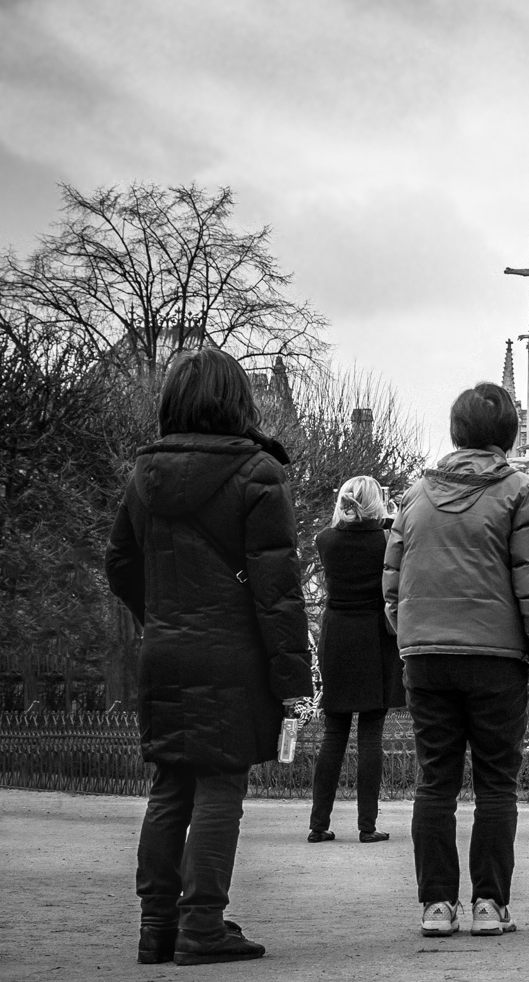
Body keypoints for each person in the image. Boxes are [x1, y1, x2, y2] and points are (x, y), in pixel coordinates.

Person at [105, 348, 312, 966]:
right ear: (237, 402)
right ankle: (203, 922)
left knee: (170, 784)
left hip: (164, 651)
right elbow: (278, 593)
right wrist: (292, 679)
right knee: (221, 785)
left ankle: (156, 927)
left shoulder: (145, 477)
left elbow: (119, 564)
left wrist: (162, 614)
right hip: (230, 655)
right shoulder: (257, 474)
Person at [383, 382, 529, 939]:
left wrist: (415, 640)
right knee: (495, 785)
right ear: (508, 435)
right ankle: (489, 905)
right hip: (495, 659)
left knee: (434, 782)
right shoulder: (523, 495)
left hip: (428, 659)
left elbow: (391, 590)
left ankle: (436, 906)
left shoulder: (413, 499)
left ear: (456, 433)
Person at [307, 476, 405, 845]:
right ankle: (367, 825)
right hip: (375, 637)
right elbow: (393, 530)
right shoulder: (384, 540)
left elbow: (342, 527)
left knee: (334, 735)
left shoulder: (324, 540)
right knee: (370, 737)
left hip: (337, 637)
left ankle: (318, 824)